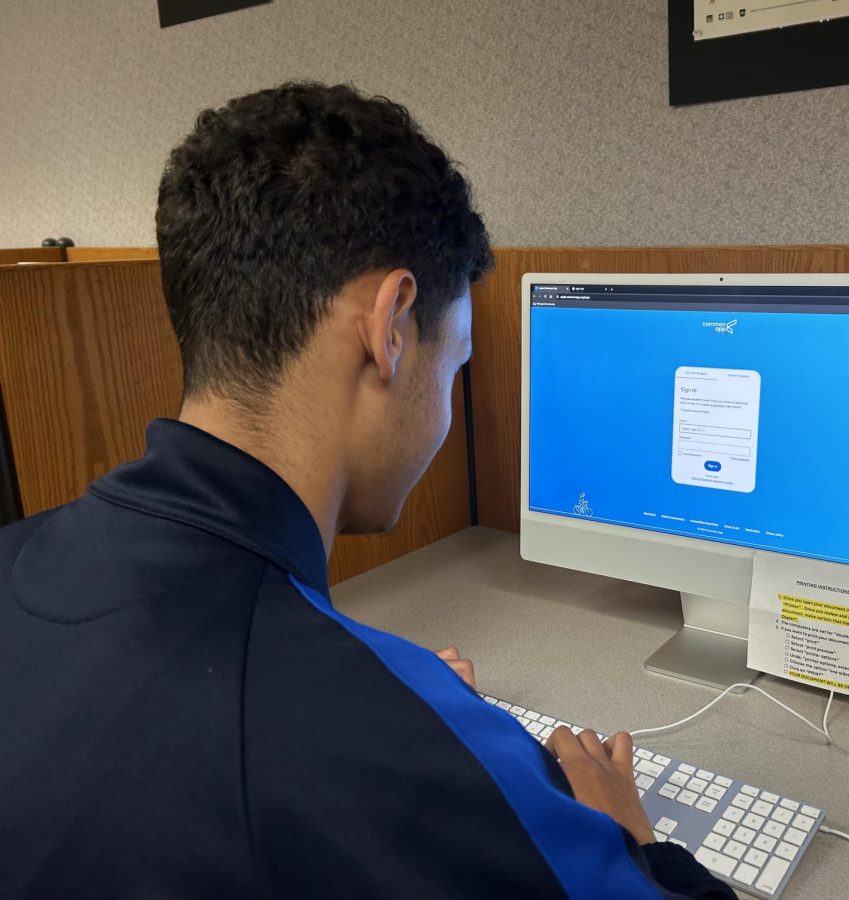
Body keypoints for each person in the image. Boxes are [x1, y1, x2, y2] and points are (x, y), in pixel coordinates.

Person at [0, 83, 734, 899]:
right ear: (391, 327)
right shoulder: (381, 747)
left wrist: (380, 690)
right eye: (455, 366)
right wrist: (631, 837)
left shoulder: (17, 557)